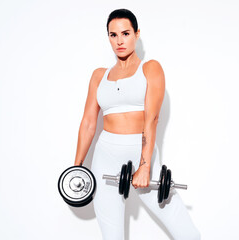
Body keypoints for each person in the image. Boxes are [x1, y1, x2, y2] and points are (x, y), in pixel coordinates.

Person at [73, 8, 201, 240]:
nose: (120, 41)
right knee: (111, 235)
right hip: (106, 153)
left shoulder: (150, 68)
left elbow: (151, 118)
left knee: (184, 230)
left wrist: (144, 165)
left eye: (125, 33)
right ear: (108, 37)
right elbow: (89, 123)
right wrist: (77, 167)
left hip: (141, 149)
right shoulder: (98, 76)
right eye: (113, 35)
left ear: (137, 34)